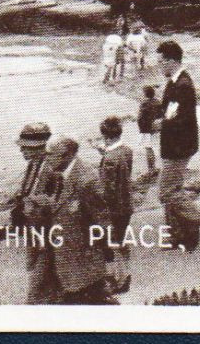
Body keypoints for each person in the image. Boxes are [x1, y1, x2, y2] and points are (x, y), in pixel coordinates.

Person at [25, 135, 114, 304]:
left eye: (51, 154)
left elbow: (102, 220)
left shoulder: (86, 179)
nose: (47, 158)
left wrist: (111, 257)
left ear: (68, 155)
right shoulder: (56, 172)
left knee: (89, 302)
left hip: (81, 260)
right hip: (57, 251)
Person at [155, 41, 200, 250]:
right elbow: (170, 110)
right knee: (173, 188)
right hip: (173, 145)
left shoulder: (183, 85)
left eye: (160, 62)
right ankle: (179, 234)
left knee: (166, 192)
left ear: (171, 61)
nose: (158, 66)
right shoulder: (175, 82)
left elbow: (183, 119)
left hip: (179, 147)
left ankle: (197, 220)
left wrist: (162, 124)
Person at [97, 116, 134, 294]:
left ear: (105, 136)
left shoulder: (110, 160)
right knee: (120, 240)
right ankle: (124, 275)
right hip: (126, 204)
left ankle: (117, 279)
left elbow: (107, 190)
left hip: (114, 209)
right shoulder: (127, 151)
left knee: (109, 244)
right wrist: (105, 153)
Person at [136, 87, 160, 173]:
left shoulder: (144, 104)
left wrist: (141, 130)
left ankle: (151, 169)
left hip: (146, 128)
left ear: (145, 94)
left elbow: (140, 118)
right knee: (154, 147)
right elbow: (161, 115)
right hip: (156, 128)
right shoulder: (157, 102)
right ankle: (155, 167)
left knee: (148, 148)